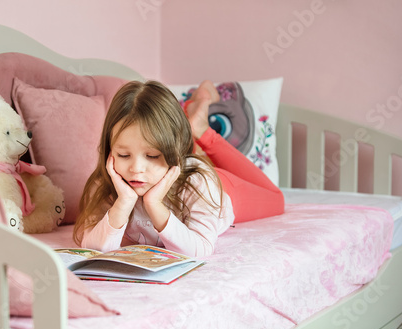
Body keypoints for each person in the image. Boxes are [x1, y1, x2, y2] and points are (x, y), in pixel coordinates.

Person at [73, 80, 284, 257]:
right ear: (110, 151)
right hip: (174, 166)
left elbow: (199, 249)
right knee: (160, 144)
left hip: (213, 185)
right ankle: (186, 125)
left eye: (152, 156)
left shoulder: (200, 184)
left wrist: (154, 204)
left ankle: (201, 129)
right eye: (124, 155)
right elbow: (93, 249)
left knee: (277, 199)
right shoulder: (107, 183)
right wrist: (124, 202)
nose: (136, 169)